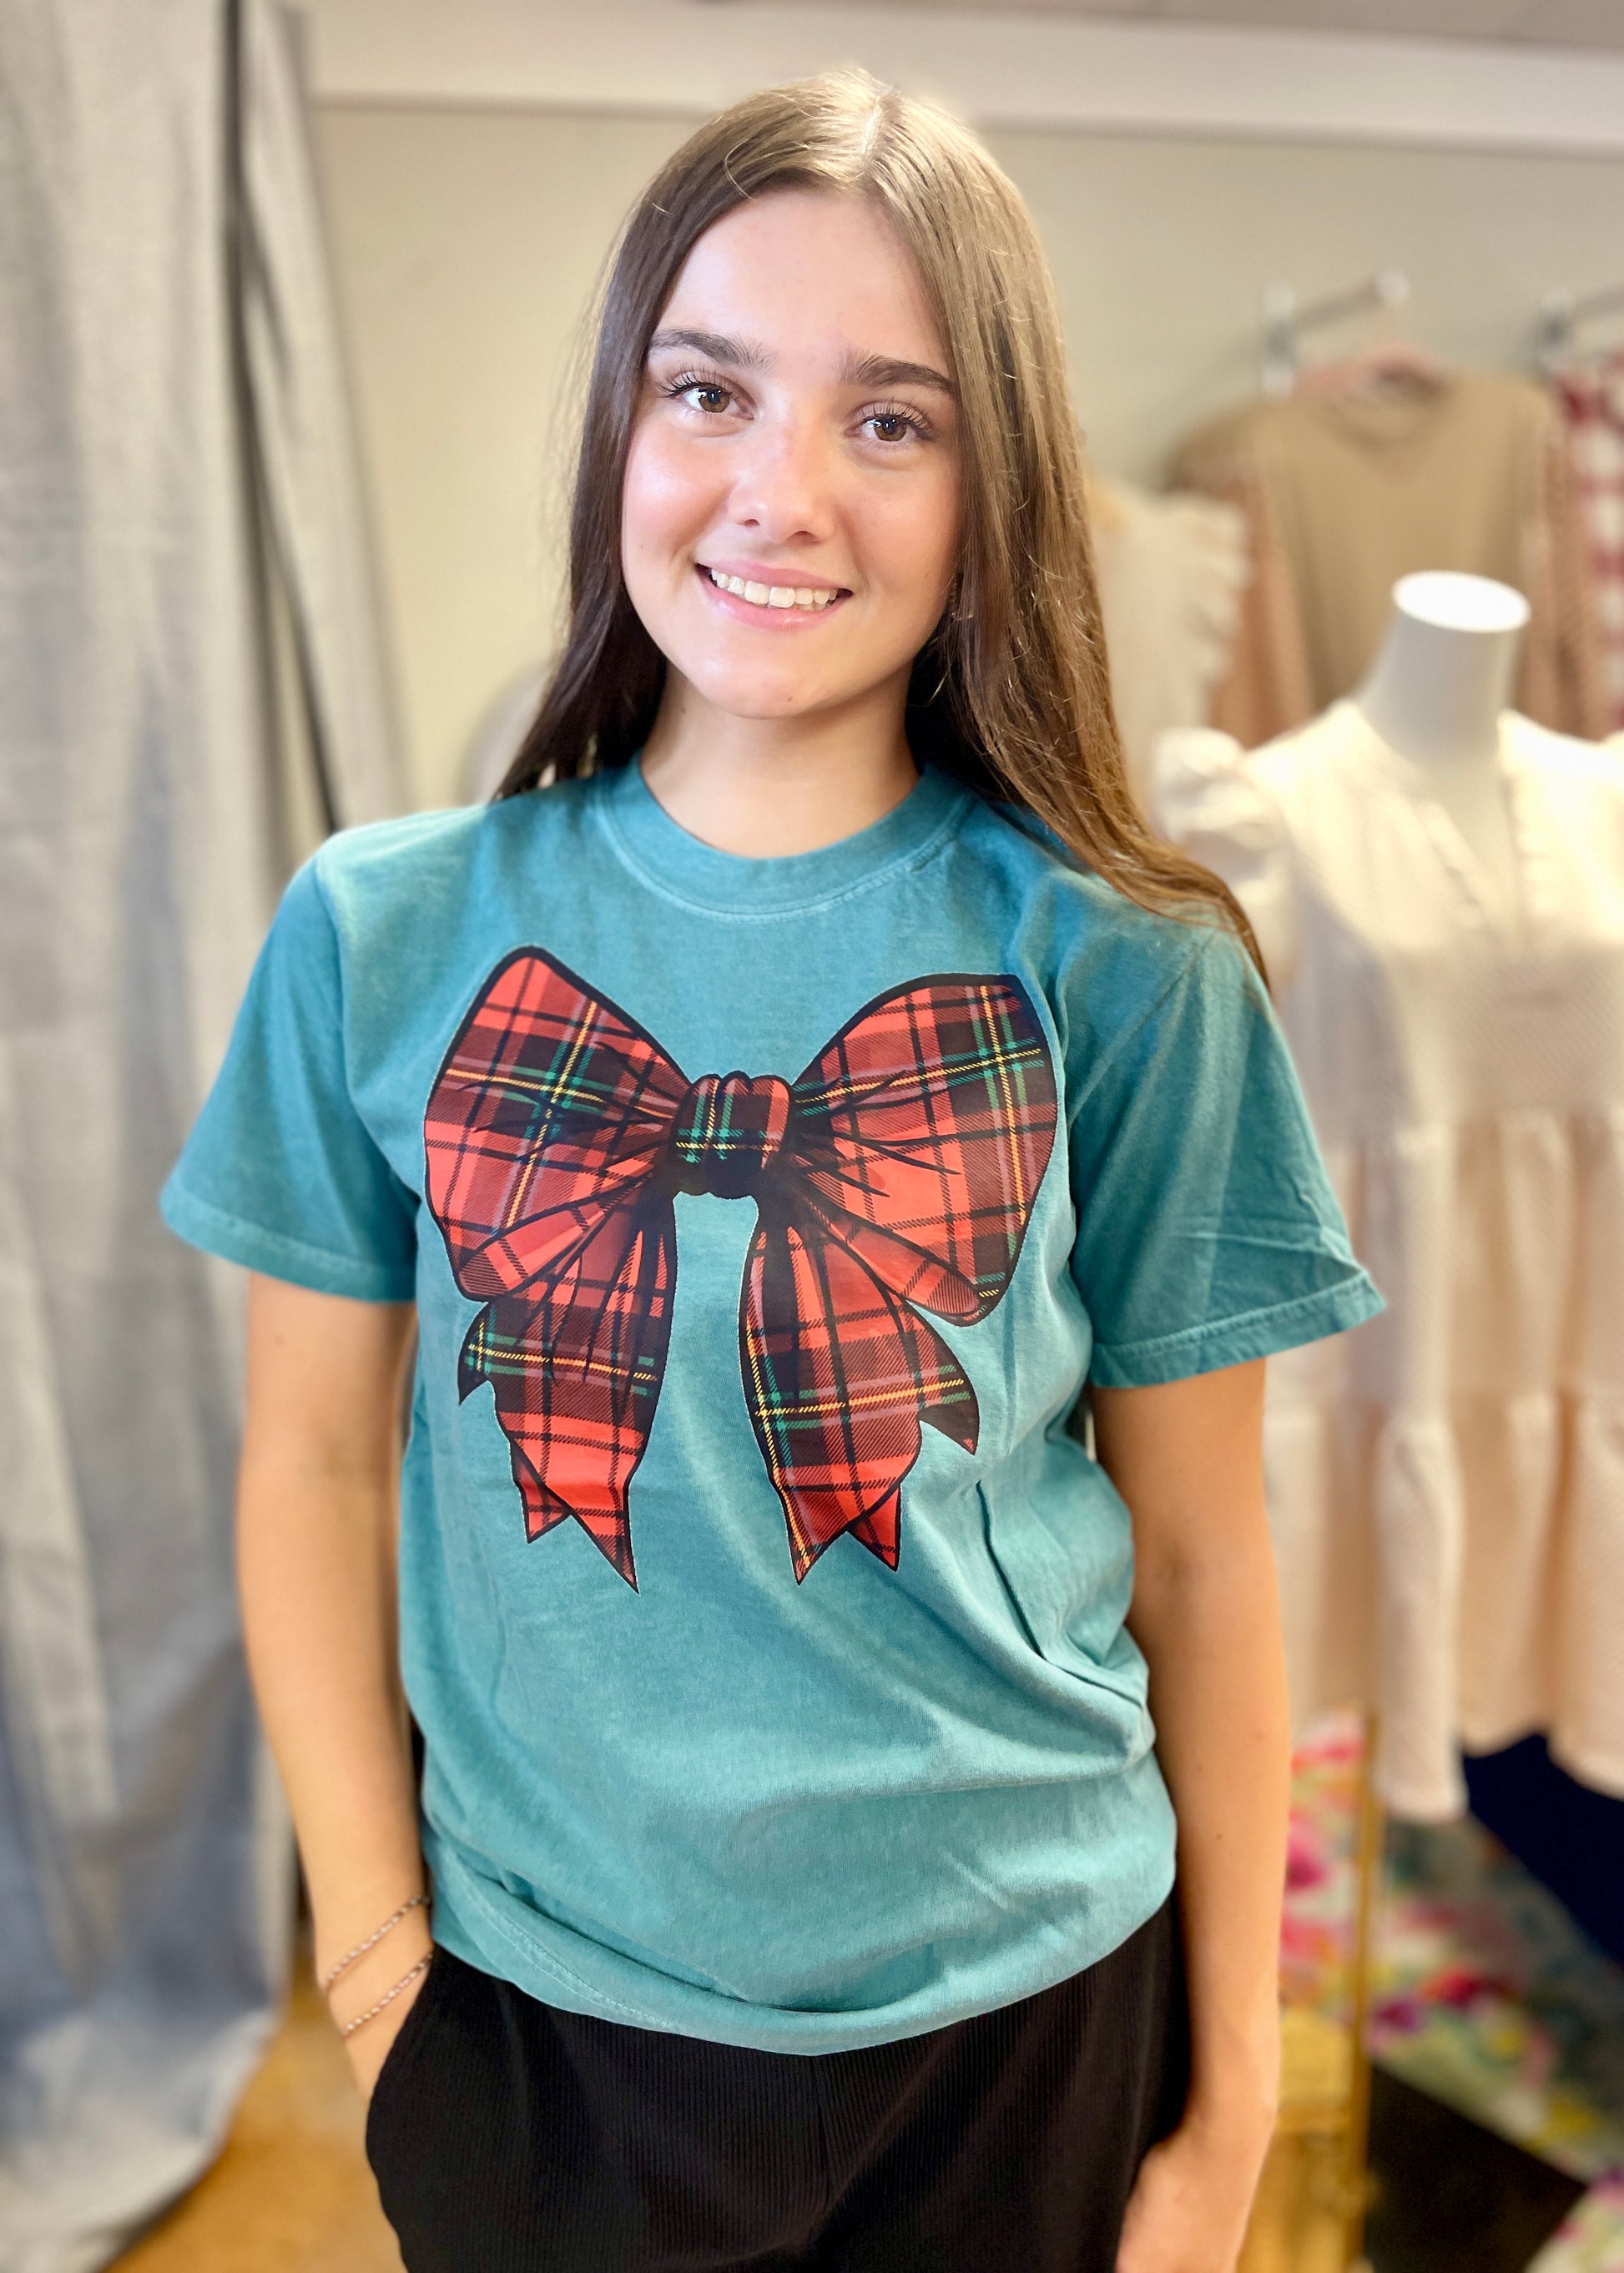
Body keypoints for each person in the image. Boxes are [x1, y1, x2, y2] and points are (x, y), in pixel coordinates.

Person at [160, 70, 1380, 2273]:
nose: (780, 492)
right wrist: (375, 1971)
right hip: (537, 2036)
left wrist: (1224, 2120)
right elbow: (311, 1470)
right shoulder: (380, 931)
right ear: (621, 428)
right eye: (709, 390)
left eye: (889, 421)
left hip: (1033, 2020)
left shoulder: (1134, 966)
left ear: (995, 490)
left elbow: (1208, 1557)